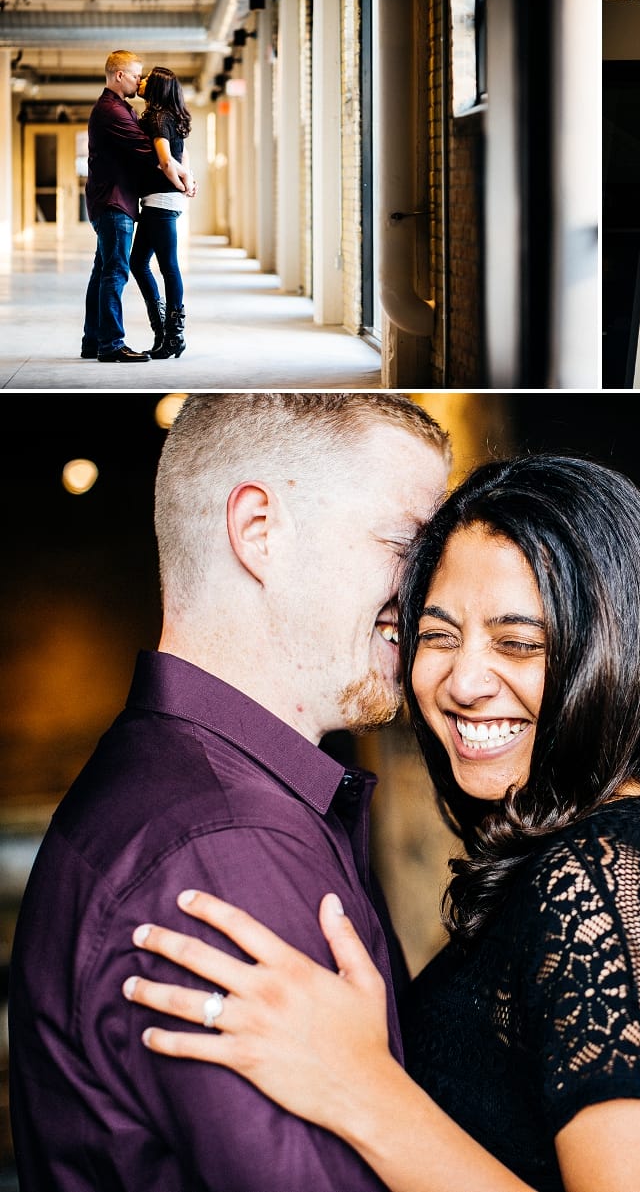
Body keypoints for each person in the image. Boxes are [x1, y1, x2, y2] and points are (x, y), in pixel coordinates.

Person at [120, 453, 640, 1192]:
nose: (464, 682)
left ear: (619, 650)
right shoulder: (575, 848)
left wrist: (362, 1088)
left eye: (518, 642)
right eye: (438, 636)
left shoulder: (612, 877)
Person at [8, 394, 454, 1192]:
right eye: (403, 544)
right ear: (258, 531)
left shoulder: (174, 783)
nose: (425, 596)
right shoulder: (227, 850)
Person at [81, 50, 191, 363]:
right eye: (134, 75)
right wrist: (187, 178)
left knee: (105, 270)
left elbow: (162, 156)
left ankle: (95, 340)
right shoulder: (112, 111)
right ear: (119, 75)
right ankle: (112, 344)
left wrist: (183, 175)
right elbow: (154, 154)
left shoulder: (123, 109)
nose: (138, 81)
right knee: (116, 271)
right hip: (115, 202)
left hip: (118, 201)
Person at [130, 66, 193, 359]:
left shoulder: (156, 118)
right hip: (162, 201)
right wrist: (188, 180)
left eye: (146, 79)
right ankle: (163, 332)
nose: (140, 81)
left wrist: (181, 181)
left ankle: (172, 336)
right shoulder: (170, 116)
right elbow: (183, 156)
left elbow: (167, 161)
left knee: (168, 267)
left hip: (161, 201)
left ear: (155, 88)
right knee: (139, 262)